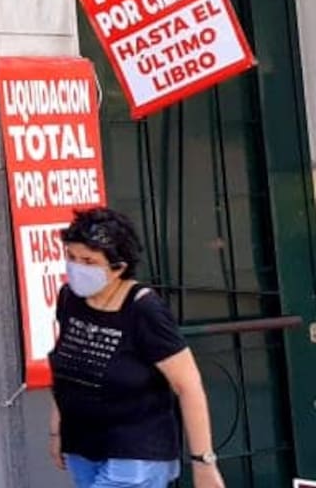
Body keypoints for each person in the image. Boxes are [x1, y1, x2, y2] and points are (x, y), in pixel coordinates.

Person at [49, 207, 225, 488]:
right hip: (83, 446)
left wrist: (204, 463)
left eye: (89, 261)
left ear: (117, 268)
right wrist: (57, 430)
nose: (76, 266)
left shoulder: (143, 309)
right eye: (71, 257)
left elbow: (188, 385)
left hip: (136, 453)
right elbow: (66, 369)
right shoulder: (70, 298)